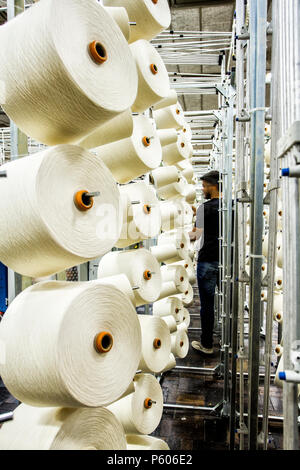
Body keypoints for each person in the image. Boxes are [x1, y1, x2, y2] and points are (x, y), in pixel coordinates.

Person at [189, 170, 220, 355]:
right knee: (230, 300)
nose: (202, 189)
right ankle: (232, 343)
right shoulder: (232, 206)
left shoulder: (204, 208)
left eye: (204, 185)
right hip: (226, 262)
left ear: (212, 185)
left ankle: (207, 345)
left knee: (207, 304)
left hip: (207, 261)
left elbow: (195, 235)